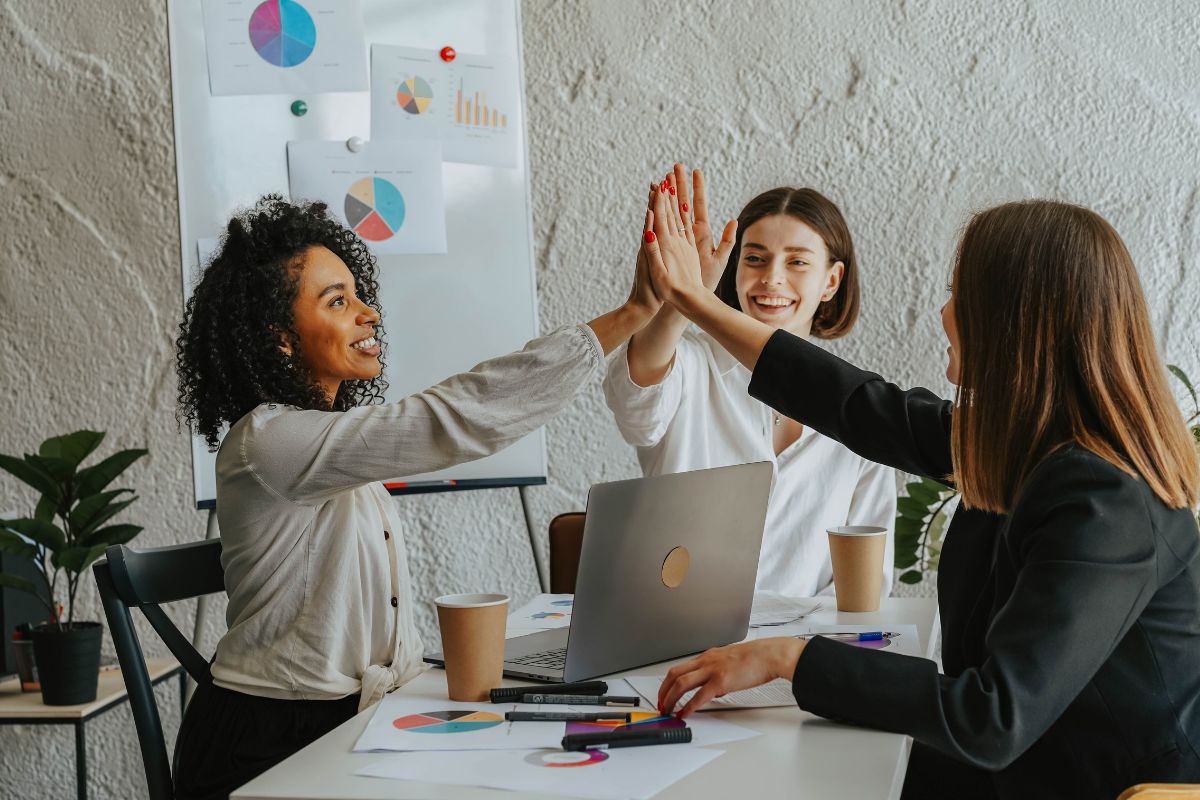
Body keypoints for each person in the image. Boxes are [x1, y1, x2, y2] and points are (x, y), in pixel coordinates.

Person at [642, 185, 1200, 799]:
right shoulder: (1029, 444)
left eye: (960, 294)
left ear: (1015, 323)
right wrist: (696, 303)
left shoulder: (1105, 497)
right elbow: (858, 405)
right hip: (1028, 767)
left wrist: (789, 658)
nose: (944, 313)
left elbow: (991, 718)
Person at [171, 195, 661, 799]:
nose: (369, 314)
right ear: (280, 340)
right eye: (337, 301)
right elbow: (448, 418)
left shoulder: (323, 445)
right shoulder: (271, 441)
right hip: (268, 743)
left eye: (358, 294)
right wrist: (633, 313)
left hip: (347, 719)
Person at [603, 166, 895, 597]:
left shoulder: (860, 406)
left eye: (797, 261)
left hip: (806, 638)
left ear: (831, 281)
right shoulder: (690, 364)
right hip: (677, 630)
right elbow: (635, 403)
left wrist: (801, 639)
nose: (772, 277)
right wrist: (684, 295)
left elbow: (866, 583)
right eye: (755, 258)